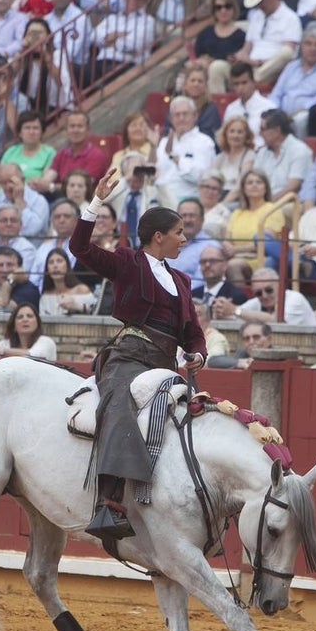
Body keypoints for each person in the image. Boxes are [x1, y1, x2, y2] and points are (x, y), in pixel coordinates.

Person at [69, 168, 206, 540]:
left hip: (165, 365)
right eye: (179, 232)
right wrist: (96, 202)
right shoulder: (128, 262)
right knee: (120, 402)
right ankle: (109, 504)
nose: (184, 238)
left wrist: (198, 355)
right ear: (159, 236)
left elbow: (192, 331)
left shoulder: (181, 280)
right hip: (129, 357)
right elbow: (80, 249)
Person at [211, 0, 300, 90]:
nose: (259, 5)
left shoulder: (290, 18)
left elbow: (288, 54)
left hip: (270, 69)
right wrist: (240, 56)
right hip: (250, 66)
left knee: (286, 52)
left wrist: (258, 62)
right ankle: (218, 103)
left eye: (262, 1)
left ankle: (251, 80)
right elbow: (247, 46)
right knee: (217, 67)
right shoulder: (256, 16)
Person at [269, 24, 316, 138]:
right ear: (301, 46)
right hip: (281, 113)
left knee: (300, 120)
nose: (312, 48)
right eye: (308, 44)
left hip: (304, 114)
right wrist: (276, 112)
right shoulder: (291, 66)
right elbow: (276, 93)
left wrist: (295, 113)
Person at [154, 96, 217, 202]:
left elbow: (201, 177)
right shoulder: (164, 141)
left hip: (188, 200)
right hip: (160, 199)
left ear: (195, 116)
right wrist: (152, 147)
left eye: (185, 114)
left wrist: (173, 156)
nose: (181, 118)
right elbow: (156, 173)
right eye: (177, 115)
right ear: (171, 118)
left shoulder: (204, 142)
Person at [213, 266, 315, 326]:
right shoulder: (256, 302)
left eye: (269, 290)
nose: (264, 296)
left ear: (280, 286)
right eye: (258, 293)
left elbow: (277, 323)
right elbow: (234, 318)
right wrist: (221, 312)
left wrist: (235, 310)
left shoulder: (295, 299)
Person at [90, 0, 157, 81]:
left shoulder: (148, 21)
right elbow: (94, 36)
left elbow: (134, 45)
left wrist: (110, 40)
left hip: (128, 65)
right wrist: (118, 35)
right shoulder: (112, 18)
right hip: (102, 62)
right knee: (79, 72)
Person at [36, 110, 108, 195]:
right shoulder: (62, 153)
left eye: (80, 126)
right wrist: (38, 183)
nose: (75, 130)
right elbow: (49, 177)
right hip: (60, 197)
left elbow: (81, 186)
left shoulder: (96, 155)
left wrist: (51, 187)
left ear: (88, 130)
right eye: (72, 126)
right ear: (66, 130)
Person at [194, 0, 246, 92]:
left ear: (233, 8)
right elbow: (198, 55)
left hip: (231, 76)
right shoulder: (205, 33)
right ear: (214, 11)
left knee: (216, 67)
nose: (223, 11)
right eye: (219, 7)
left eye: (227, 6)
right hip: (204, 74)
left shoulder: (241, 35)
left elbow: (240, 63)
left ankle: (216, 104)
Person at [223, 63, 277, 149]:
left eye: (244, 83)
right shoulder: (230, 109)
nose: (240, 88)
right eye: (236, 84)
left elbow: (274, 140)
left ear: (253, 82)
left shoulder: (269, 107)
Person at [210, 115, 255, 206]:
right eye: (232, 131)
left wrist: (221, 206)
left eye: (240, 132)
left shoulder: (249, 155)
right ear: (225, 134)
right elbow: (210, 180)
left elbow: (240, 187)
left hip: (236, 200)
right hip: (218, 196)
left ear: (246, 135)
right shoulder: (221, 157)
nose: (235, 135)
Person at [39, 247, 93, 316]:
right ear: (47, 269)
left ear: (67, 265)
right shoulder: (46, 295)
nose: (55, 265)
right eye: (51, 262)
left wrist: (76, 306)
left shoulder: (81, 290)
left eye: (59, 261)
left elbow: (94, 311)